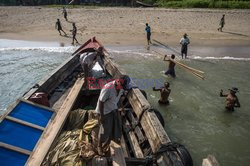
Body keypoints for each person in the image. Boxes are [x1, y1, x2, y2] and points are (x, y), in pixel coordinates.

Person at [95, 75, 128, 155]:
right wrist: (101, 116)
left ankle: (108, 142)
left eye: (123, 87)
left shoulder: (121, 88)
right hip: (104, 111)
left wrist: (122, 107)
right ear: (117, 81)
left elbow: (119, 98)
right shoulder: (108, 88)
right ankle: (99, 146)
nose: (121, 88)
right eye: (121, 86)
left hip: (113, 109)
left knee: (115, 127)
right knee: (105, 129)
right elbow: (101, 102)